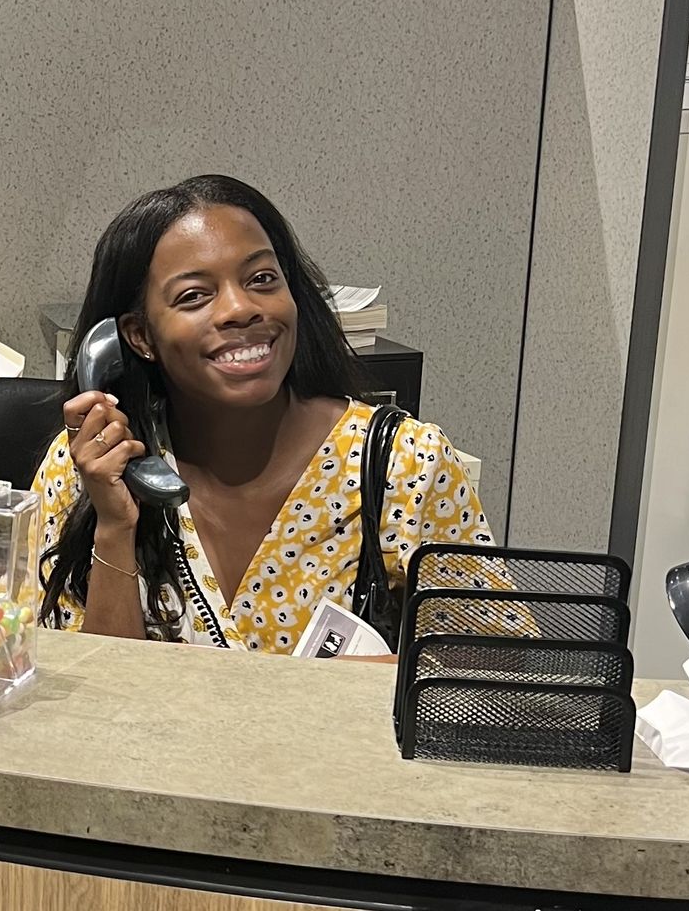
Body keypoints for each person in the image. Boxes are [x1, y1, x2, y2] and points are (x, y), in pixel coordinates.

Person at [32, 174, 502, 652]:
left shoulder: (405, 464)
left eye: (261, 280)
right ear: (139, 337)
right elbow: (84, 699)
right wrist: (115, 526)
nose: (240, 308)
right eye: (194, 295)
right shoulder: (89, 467)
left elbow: (498, 673)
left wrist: (378, 683)